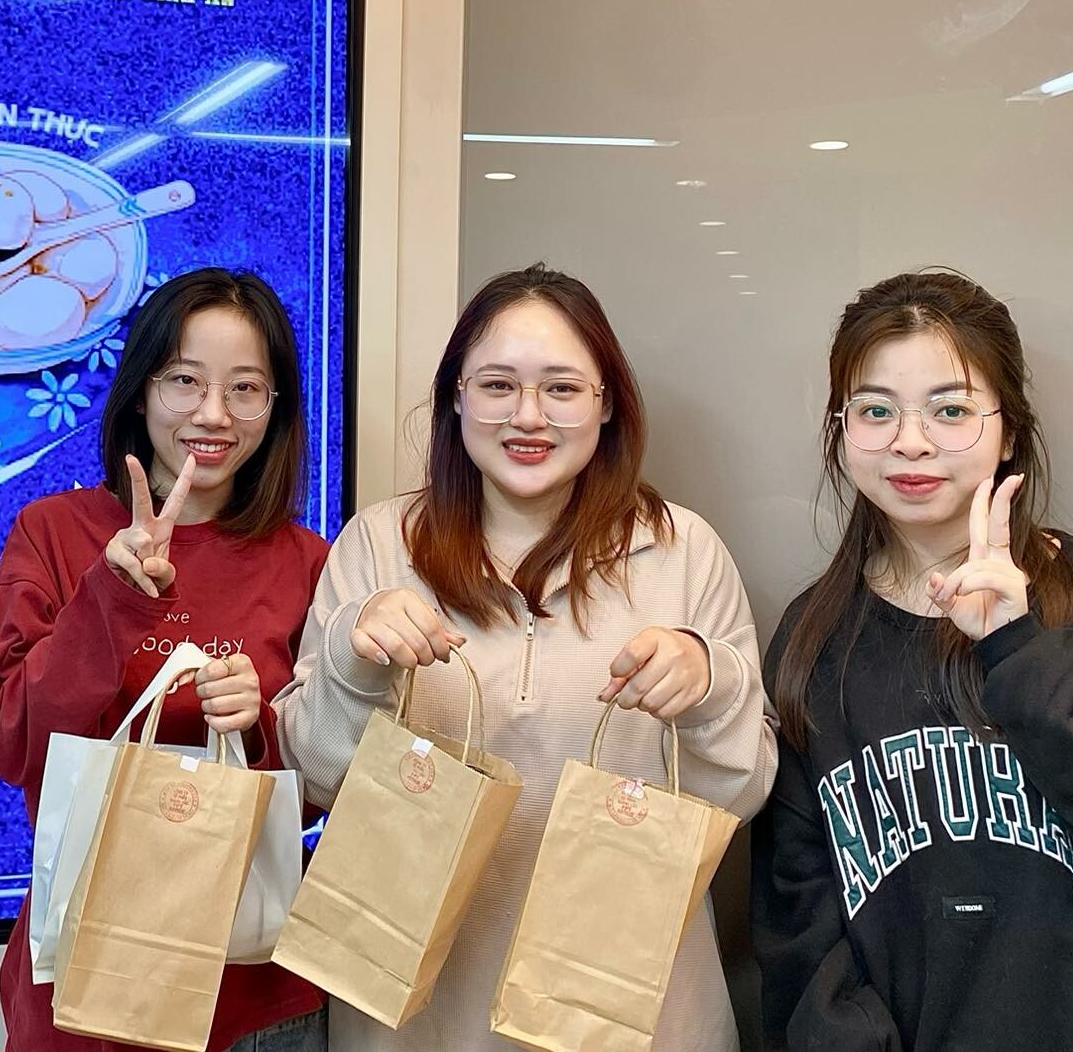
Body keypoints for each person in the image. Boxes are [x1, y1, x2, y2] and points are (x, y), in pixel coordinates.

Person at [751, 270, 1073, 1052]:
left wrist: (1017, 642)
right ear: (841, 431)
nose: (910, 441)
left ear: (1008, 432)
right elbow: (798, 910)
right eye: (875, 410)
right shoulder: (815, 637)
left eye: (951, 409)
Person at [277, 263, 776, 1050]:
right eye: (498, 385)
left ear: (607, 403)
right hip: (419, 1019)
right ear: (456, 397)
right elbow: (315, 777)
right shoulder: (378, 545)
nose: (528, 416)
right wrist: (353, 655)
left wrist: (709, 684)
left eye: (563, 388)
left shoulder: (683, 551)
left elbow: (739, 794)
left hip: (637, 1020)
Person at [0, 267, 330, 1052]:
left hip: (251, 990)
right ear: (140, 391)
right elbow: (9, 741)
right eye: (184, 381)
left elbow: (318, 796)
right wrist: (111, 597)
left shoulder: (307, 561)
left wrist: (259, 728)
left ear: (276, 406)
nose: (213, 413)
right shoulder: (53, 532)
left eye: (245, 388)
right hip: (86, 974)